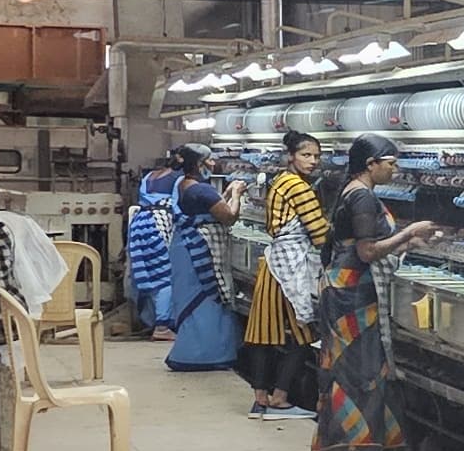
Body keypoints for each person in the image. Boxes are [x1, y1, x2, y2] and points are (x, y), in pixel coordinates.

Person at [311, 138, 438, 451]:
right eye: (391, 163)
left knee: (340, 368)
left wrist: (408, 244)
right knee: (362, 371)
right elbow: (367, 252)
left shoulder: (351, 192)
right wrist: (407, 233)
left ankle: (332, 450)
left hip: (342, 287)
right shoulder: (363, 197)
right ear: (371, 164)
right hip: (354, 293)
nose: (395, 169)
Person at [243, 132, 332, 416]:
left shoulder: (281, 180)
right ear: (291, 156)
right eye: (306, 155)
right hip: (288, 268)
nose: (313, 161)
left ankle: (261, 398)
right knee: (304, 333)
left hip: (274, 265)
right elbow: (319, 232)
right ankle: (278, 398)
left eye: (316, 156)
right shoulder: (299, 187)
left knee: (263, 333)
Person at [156, 146, 243, 373]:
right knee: (206, 301)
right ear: (198, 164)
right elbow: (228, 216)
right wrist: (236, 194)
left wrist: (225, 195)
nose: (213, 164)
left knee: (191, 300)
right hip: (200, 252)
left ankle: (194, 351)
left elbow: (211, 207)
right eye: (209, 160)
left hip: (185, 248)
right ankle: (203, 355)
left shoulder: (185, 184)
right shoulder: (201, 189)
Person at [125, 155, 179, 337]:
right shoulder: (177, 178)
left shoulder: (149, 176)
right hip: (159, 224)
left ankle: (150, 320)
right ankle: (162, 326)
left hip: (141, 223)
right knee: (165, 276)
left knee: (148, 274)